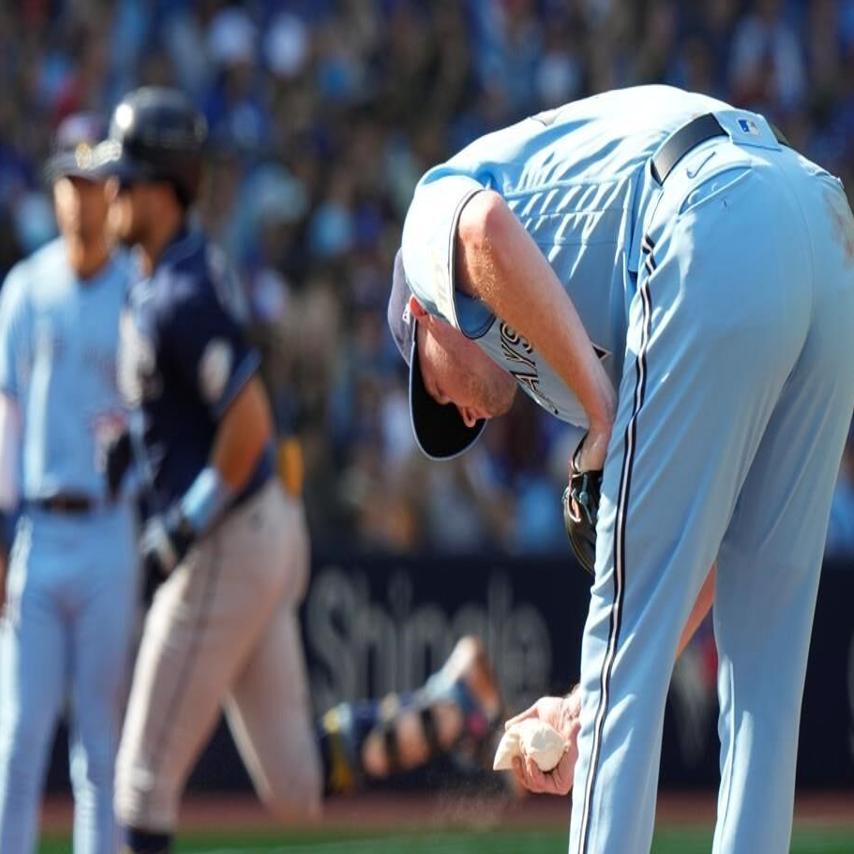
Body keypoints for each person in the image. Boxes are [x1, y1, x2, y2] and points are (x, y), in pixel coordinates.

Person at [388, 84, 854, 853]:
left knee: (648, 630)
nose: (460, 414)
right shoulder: (566, 358)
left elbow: (482, 230)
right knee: (763, 666)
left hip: (712, 211)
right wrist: (580, 705)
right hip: (819, 224)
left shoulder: (423, 247)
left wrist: (608, 418)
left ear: (420, 316)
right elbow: (701, 550)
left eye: (436, 389)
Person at [95, 87, 502, 854]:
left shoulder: (177, 292)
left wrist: (182, 521)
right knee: (295, 788)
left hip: (228, 534)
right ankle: (447, 709)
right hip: (261, 528)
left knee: (140, 785)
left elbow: (248, 425)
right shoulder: (171, 275)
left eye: (127, 176)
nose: (113, 191)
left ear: (166, 187)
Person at [0, 115, 137, 854]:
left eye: (94, 184)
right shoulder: (25, 289)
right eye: (71, 184)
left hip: (110, 528)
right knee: (15, 741)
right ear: (54, 194)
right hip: (38, 531)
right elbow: (4, 419)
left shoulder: (135, 289)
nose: (82, 199)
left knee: (100, 749)